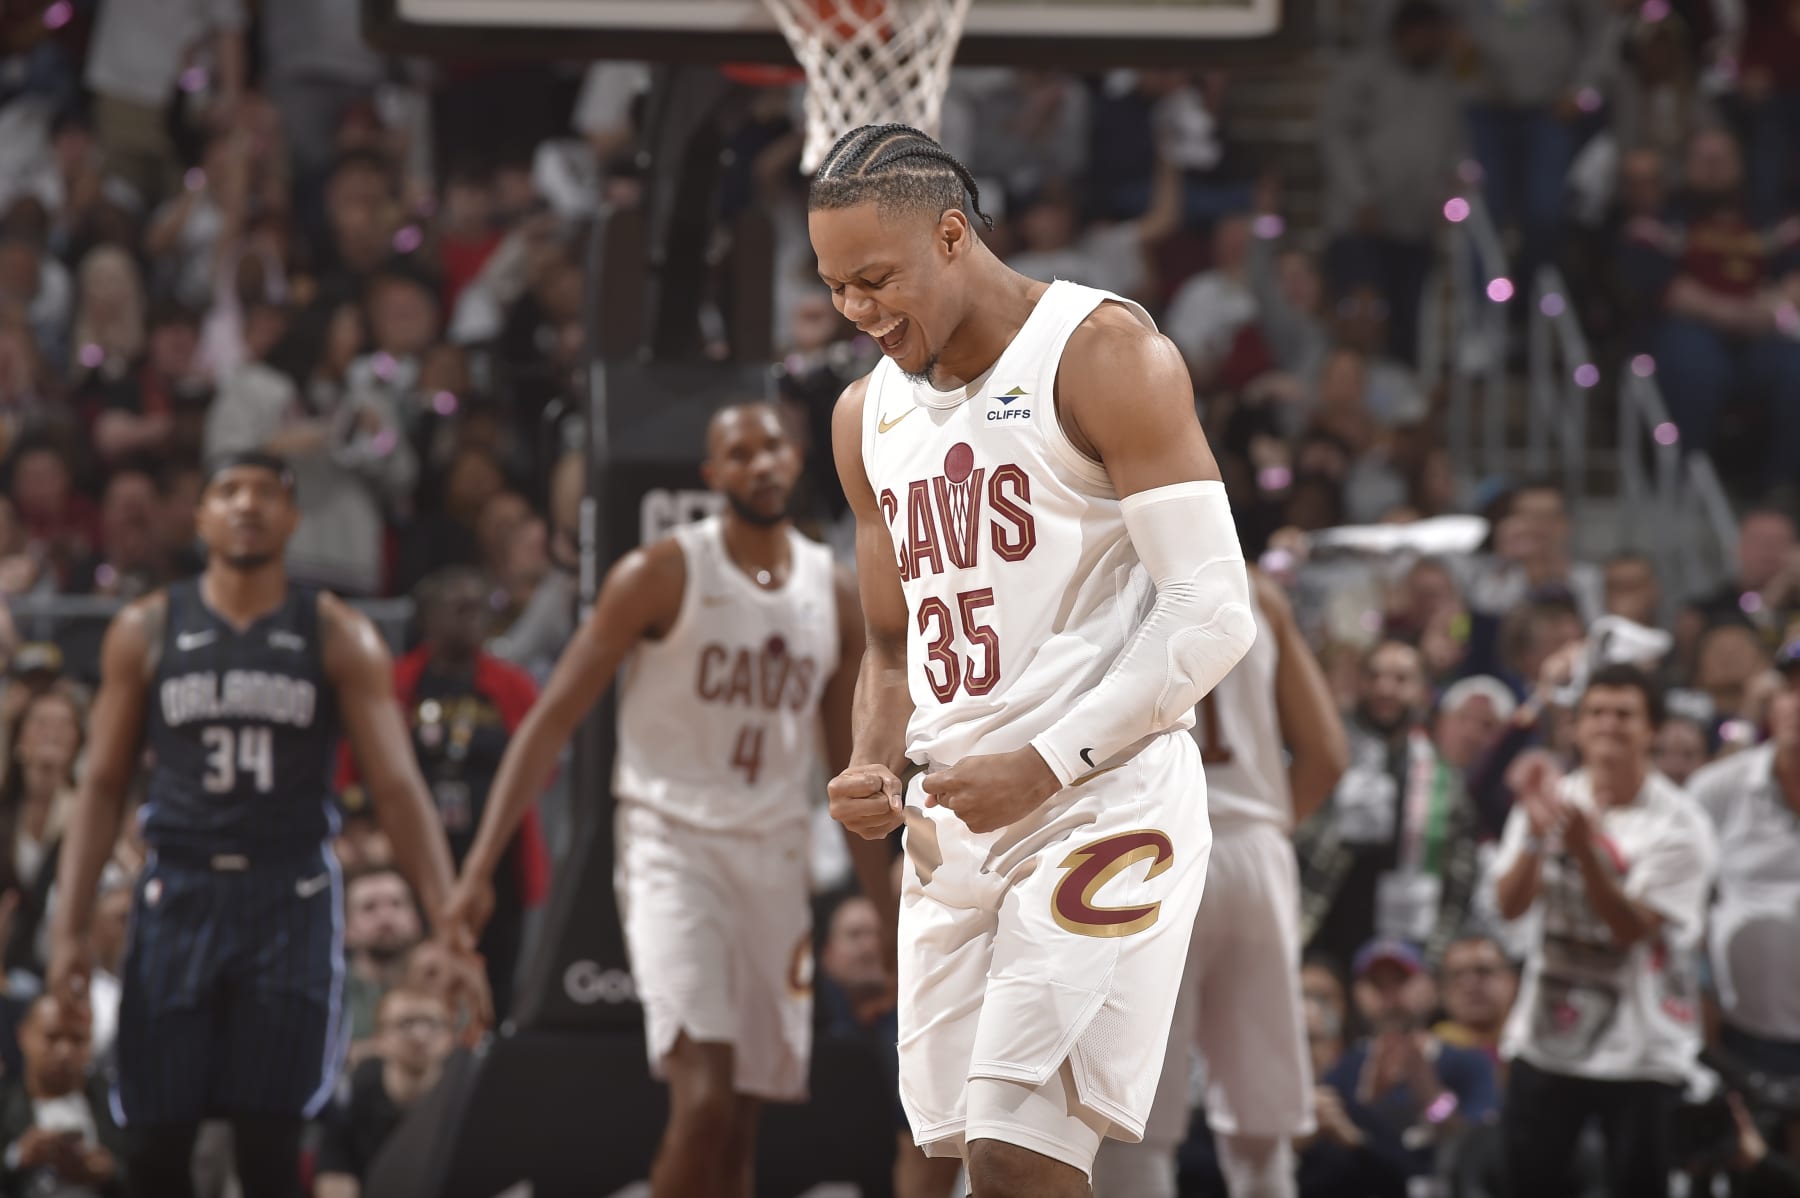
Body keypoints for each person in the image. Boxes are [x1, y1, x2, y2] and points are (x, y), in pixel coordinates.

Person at [814, 123, 1258, 1197]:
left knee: (1019, 1161)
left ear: (952, 237)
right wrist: (874, 758)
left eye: (875, 280)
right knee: (947, 1165)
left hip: (1101, 803)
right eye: (834, 288)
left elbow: (1212, 609)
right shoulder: (864, 415)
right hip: (953, 823)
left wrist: (1047, 762)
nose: (856, 310)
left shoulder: (1101, 352)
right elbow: (891, 643)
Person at [442, 404, 866, 1198]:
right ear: (712, 475)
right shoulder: (661, 573)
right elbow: (550, 722)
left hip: (775, 852)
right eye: (739, 452)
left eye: (773, 447)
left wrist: (890, 905)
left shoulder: (834, 591)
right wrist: (477, 871)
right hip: (672, 842)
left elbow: (849, 773)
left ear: (796, 456)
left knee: (741, 1124)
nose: (761, 464)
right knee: (703, 1101)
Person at [44, 451, 489, 1198]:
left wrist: (448, 919)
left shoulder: (339, 632)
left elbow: (397, 787)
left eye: (265, 493)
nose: (247, 505)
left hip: (289, 894)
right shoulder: (146, 627)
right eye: (228, 491)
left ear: (292, 517)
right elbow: (102, 785)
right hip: (179, 890)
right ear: (201, 515)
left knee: (272, 1145)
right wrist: (69, 931)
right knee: (157, 1142)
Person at [1095, 568, 1349, 1198]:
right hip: (1254, 852)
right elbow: (1327, 754)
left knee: (1136, 1119)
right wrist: (1264, 832)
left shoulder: (1102, 569)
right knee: (1262, 1120)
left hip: (1150, 851)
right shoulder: (1259, 588)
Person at [1493, 663, 1717, 1197]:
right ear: (1574, 726)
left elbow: (1631, 929)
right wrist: (1534, 838)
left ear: (1652, 730)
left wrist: (1585, 853)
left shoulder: (1682, 824)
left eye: (1624, 714)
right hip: (1545, 1041)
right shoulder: (1550, 799)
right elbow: (1509, 906)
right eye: (1595, 712)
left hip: (1642, 1051)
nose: (1607, 725)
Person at [313, 987, 457, 1198]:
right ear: (380, 1037)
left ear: (450, 1036)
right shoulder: (352, 1094)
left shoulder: (463, 1098)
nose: (420, 1036)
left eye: (432, 1023)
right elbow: (334, 1176)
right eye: (406, 1023)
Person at [0, 995, 126, 1198]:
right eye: (52, 1037)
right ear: (23, 1035)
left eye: (78, 1040)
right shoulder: (5, 1103)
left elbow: (143, 1170)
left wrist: (109, 1171)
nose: (65, 1051)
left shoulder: (114, 1103)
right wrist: (18, 1157)